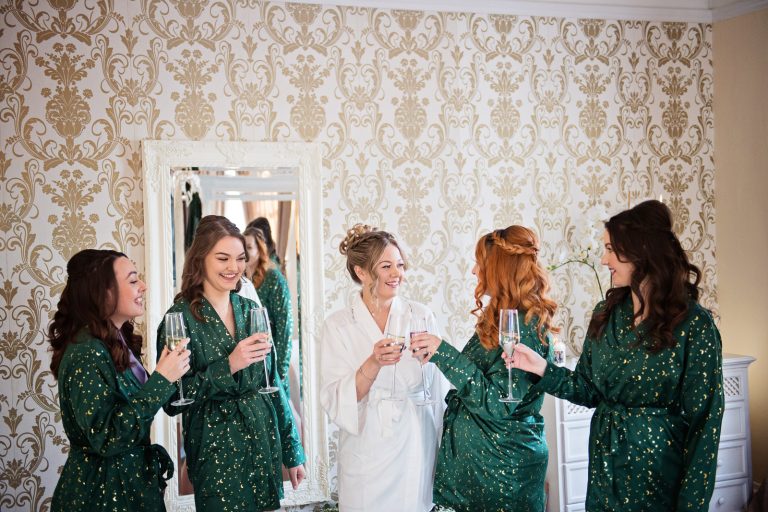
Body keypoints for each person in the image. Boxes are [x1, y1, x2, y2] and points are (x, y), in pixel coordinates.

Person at [509, 200, 724, 511]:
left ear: (641, 251)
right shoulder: (607, 314)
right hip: (605, 471)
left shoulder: (693, 325)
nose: (603, 259)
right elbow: (587, 388)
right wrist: (542, 369)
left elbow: (704, 424)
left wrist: (692, 506)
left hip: (660, 477)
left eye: (610, 249)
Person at [159, 215, 305, 511]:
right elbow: (172, 399)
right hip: (215, 448)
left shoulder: (252, 310)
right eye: (223, 258)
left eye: (240, 258)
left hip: (260, 439)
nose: (233, 267)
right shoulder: (180, 319)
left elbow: (272, 381)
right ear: (200, 259)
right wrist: (229, 365)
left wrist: (293, 452)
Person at [410, 226, 557, 512]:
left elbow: (499, 402)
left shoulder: (526, 328)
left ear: (499, 268)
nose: (474, 271)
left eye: (480, 263)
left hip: (503, 476)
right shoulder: (501, 319)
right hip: (481, 473)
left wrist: (444, 353)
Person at [48, 249, 190, 511]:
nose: (144, 287)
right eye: (134, 280)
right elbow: (108, 436)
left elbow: (155, 401)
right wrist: (160, 379)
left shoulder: (116, 340)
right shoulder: (86, 351)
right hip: (102, 494)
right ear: (103, 291)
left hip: (130, 487)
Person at [319, 224, 444, 512]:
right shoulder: (338, 325)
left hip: (413, 443)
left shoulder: (420, 315)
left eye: (400, 265)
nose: (397, 274)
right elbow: (337, 397)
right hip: (366, 445)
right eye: (386, 266)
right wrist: (373, 362)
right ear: (361, 272)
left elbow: (436, 390)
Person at [243, 226, 293, 396]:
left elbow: (285, 326)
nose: (245, 252)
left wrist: (280, 371)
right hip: (248, 364)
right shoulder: (239, 281)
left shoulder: (274, 278)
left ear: (260, 249)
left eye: (249, 247)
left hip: (272, 358)